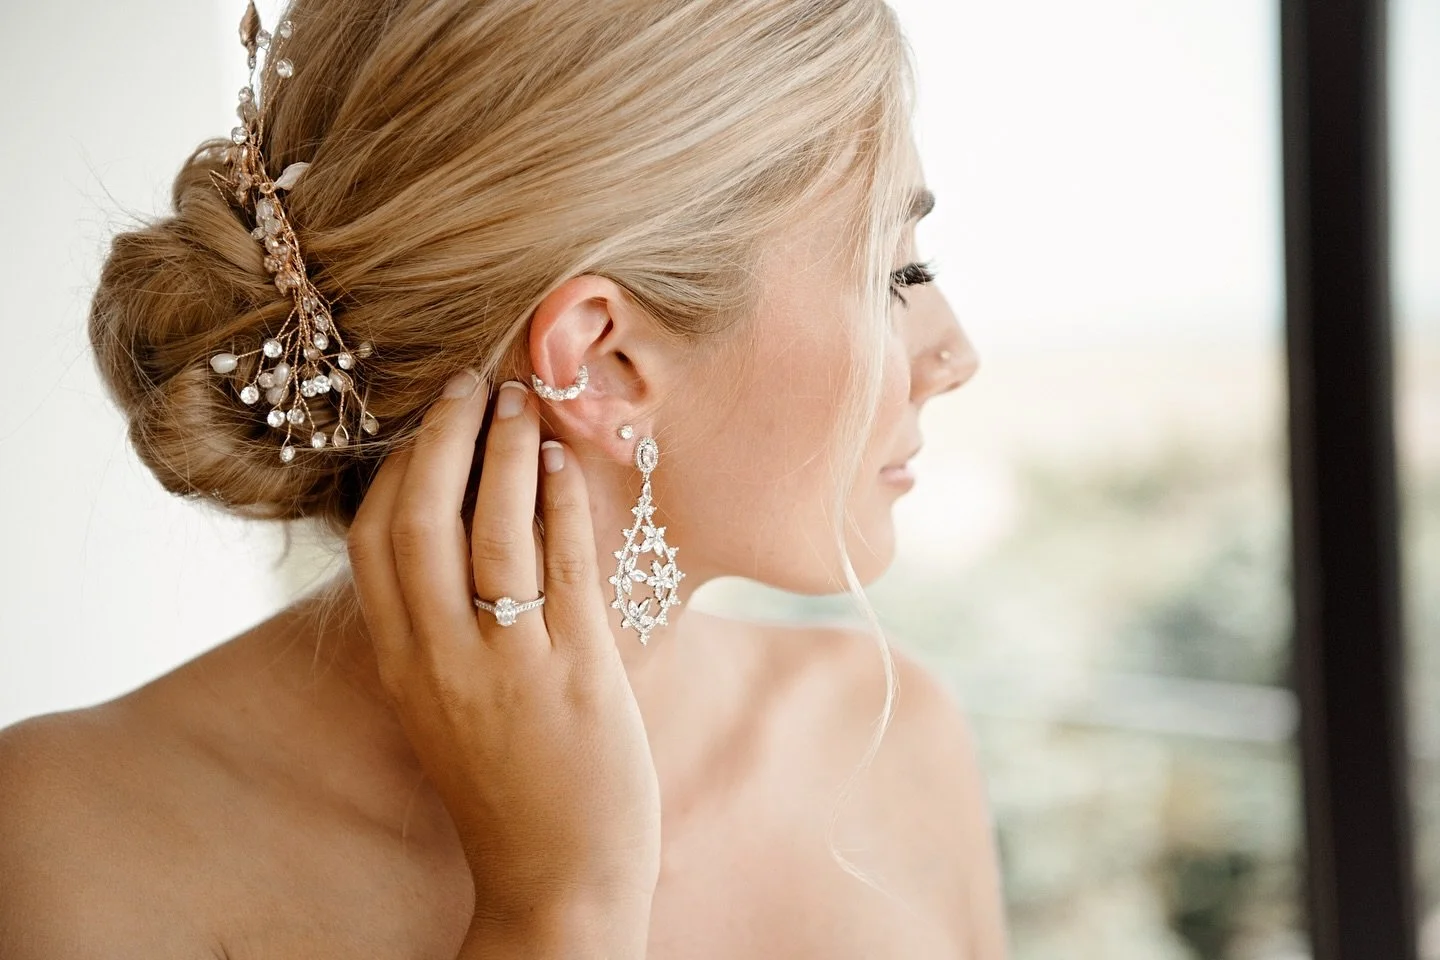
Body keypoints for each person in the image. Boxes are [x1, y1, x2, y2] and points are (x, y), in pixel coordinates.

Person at [0, 0, 1004, 956]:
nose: (952, 354)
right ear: (599, 362)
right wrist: (560, 909)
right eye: (894, 276)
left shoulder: (895, 741)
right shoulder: (70, 843)